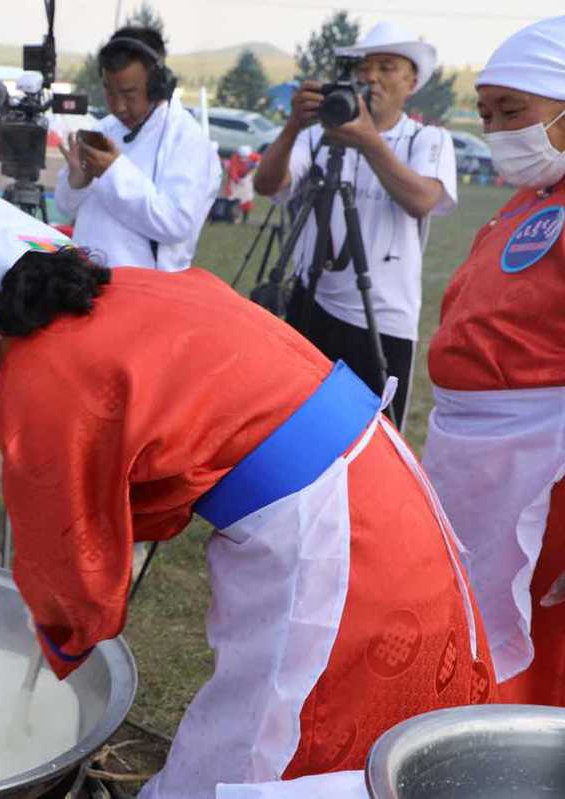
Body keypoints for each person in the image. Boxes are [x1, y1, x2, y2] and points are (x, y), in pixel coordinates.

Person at [0, 177, 495, 797]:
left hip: (328, 531)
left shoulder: (44, 374)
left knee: (266, 741)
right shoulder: (122, 292)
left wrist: (54, 639)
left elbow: (71, 564)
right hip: (372, 469)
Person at [422, 15, 565, 708]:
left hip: (540, 466)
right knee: (463, 616)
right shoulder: (528, 200)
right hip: (475, 454)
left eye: (515, 112)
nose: (497, 130)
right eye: (486, 114)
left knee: (531, 631)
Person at [254, 22, 457, 431]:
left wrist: (368, 141)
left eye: (387, 67)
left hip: (381, 318)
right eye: (364, 67)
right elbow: (266, 185)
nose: (371, 77)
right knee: (293, 428)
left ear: (411, 81)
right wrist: (295, 125)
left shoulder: (427, 139)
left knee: (372, 440)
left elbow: (422, 200)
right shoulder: (317, 137)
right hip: (310, 302)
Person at [55, 27, 221, 272]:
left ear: (158, 85)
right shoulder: (103, 130)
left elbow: (176, 224)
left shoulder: (188, 140)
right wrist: (76, 184)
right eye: (109, 90)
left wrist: (113, 172)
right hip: (86, 281)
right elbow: (64, 207)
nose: (118, 106)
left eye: (129, 93)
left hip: (145, 294)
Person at [225, 145, 259, 223]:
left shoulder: (253, 155)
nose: (244, 158)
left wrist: (257, 165)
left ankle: (245, 218)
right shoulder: (235, 158)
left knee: (247, 199)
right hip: (236, 181)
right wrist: (237, 180)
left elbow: (259, 160)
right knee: (233, 198)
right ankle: (232, 217)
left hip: (247, 179)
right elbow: (232, 172)